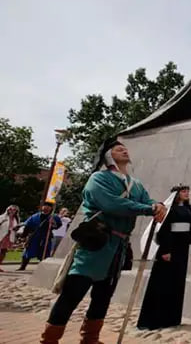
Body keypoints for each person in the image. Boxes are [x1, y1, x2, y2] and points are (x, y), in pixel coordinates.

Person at [40, 138, 167, 344]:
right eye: (118, 149)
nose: (124, 151)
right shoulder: (98, 179)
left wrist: (158, 205)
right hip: (95, 243)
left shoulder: (136, 184)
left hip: (119, 248)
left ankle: (90, 339)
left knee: (103, 297)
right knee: (72, 295)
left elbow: (147, 200)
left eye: (125, 148)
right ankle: (50, 340)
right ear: (108, 155)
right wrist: (148, 209)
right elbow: (112, 203)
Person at [137, 185, 191, 330]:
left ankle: (171, 318)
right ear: (176, 194)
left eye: (188, 191)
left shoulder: (188, 209)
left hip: (182, 249)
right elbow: (164, 230)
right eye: (184, 191)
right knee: (163, 283)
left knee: (176, 283)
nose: (187, 193)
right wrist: (166, 250)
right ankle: (155, 319)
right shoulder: (170, 209)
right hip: (169, 249)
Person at [17, 201, 62, 270]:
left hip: (46, 237)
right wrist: (23, 236)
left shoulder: (54, 217)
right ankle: (22, 266)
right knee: (28, 252)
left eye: (48, 206)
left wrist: (53, 224)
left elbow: (58, 225)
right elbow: (27, 226)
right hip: (34, 236)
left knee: (45, 253)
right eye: (45, 206)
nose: (46, 207)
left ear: (51, 208)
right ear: (42, 207)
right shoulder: (35, 216)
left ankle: (43, 268)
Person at [0, 205, 20, 270]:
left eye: (14, 210)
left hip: (9, 236)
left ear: (16, 211)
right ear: (8, 210)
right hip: (1, 235)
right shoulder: (2, 217)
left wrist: (16, 229)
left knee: (4, 251)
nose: (12, 211)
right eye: (10, 209)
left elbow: (17, 228)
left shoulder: (16, 219)